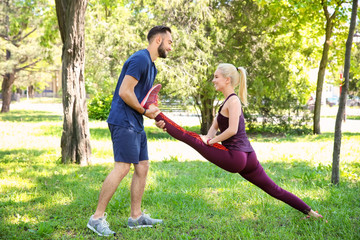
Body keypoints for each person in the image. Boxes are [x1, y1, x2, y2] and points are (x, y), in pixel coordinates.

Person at [149, 63, 323, 219]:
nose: (213, 80)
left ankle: (153, 109)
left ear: (227, 80)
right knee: (274, 189)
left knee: (189, 137)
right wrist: (206, 138)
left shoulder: (233, 101)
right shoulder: (226, 102)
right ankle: (311, 213)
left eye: (216, 77)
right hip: (248, 157)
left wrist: (209, 142)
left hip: (236, 157)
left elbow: (231, 130)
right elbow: (213, 129)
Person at [87, 26, 173, 237]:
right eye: (170, 42)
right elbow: (125, 92)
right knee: (122, 167)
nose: (171, 47)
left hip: (135, 121)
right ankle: (96, 218)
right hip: (123, 120)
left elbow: (144, 100)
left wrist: (155, 116)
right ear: (158, 40)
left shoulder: (152, 66)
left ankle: (136, 216)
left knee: (142, 166)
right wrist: (145, 111)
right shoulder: (140, 59)